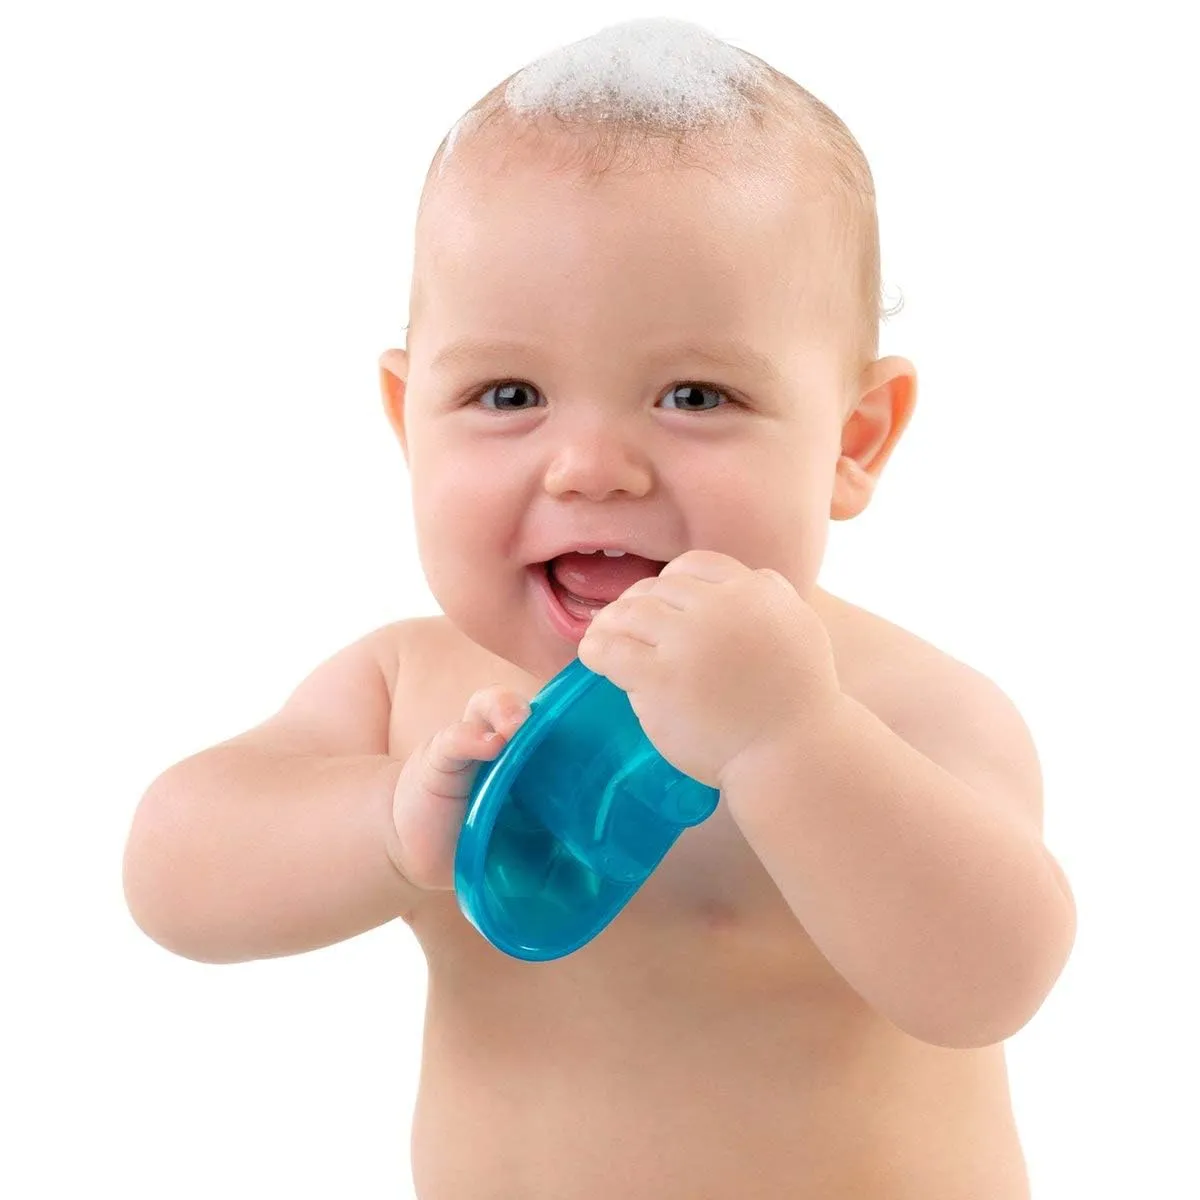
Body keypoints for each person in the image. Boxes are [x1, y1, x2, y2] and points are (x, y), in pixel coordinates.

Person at [122, 19, 1076, 1198]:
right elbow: (172, 877)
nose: (589, 467)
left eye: (696, 395)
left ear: (853, 440)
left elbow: (993, 980)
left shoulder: (896, 710)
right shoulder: (411, 691)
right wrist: (386, 826)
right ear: (407, 419)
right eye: (507, 393)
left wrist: (789, 740)